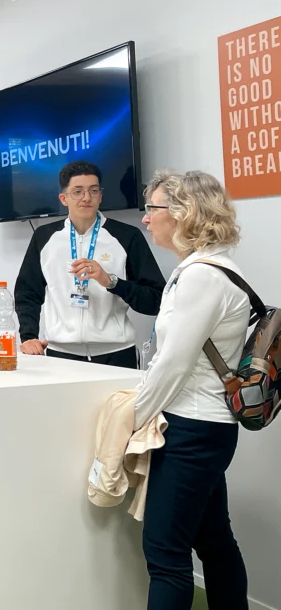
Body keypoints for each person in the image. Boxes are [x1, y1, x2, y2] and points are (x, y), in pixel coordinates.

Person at [135, 171, 249, 610]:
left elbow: (172, 365)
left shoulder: (202, 276)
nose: (146, 219)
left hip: (192, 430)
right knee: (214, 537)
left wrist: (132, 420)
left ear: (184, 214)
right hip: (203, 426)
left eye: (153, 209)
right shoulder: (205, 268)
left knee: (164, 554)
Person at [14, 160, 166, 367]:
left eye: (93, 190)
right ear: (63, 198)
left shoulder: (127, 236)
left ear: (101, 195)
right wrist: (28, 335)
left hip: (117, 353)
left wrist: (112, 282)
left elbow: (156, 300)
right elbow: (27, 292)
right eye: (77, 191)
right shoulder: (44, 237)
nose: (86, 197)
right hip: (61, 354)